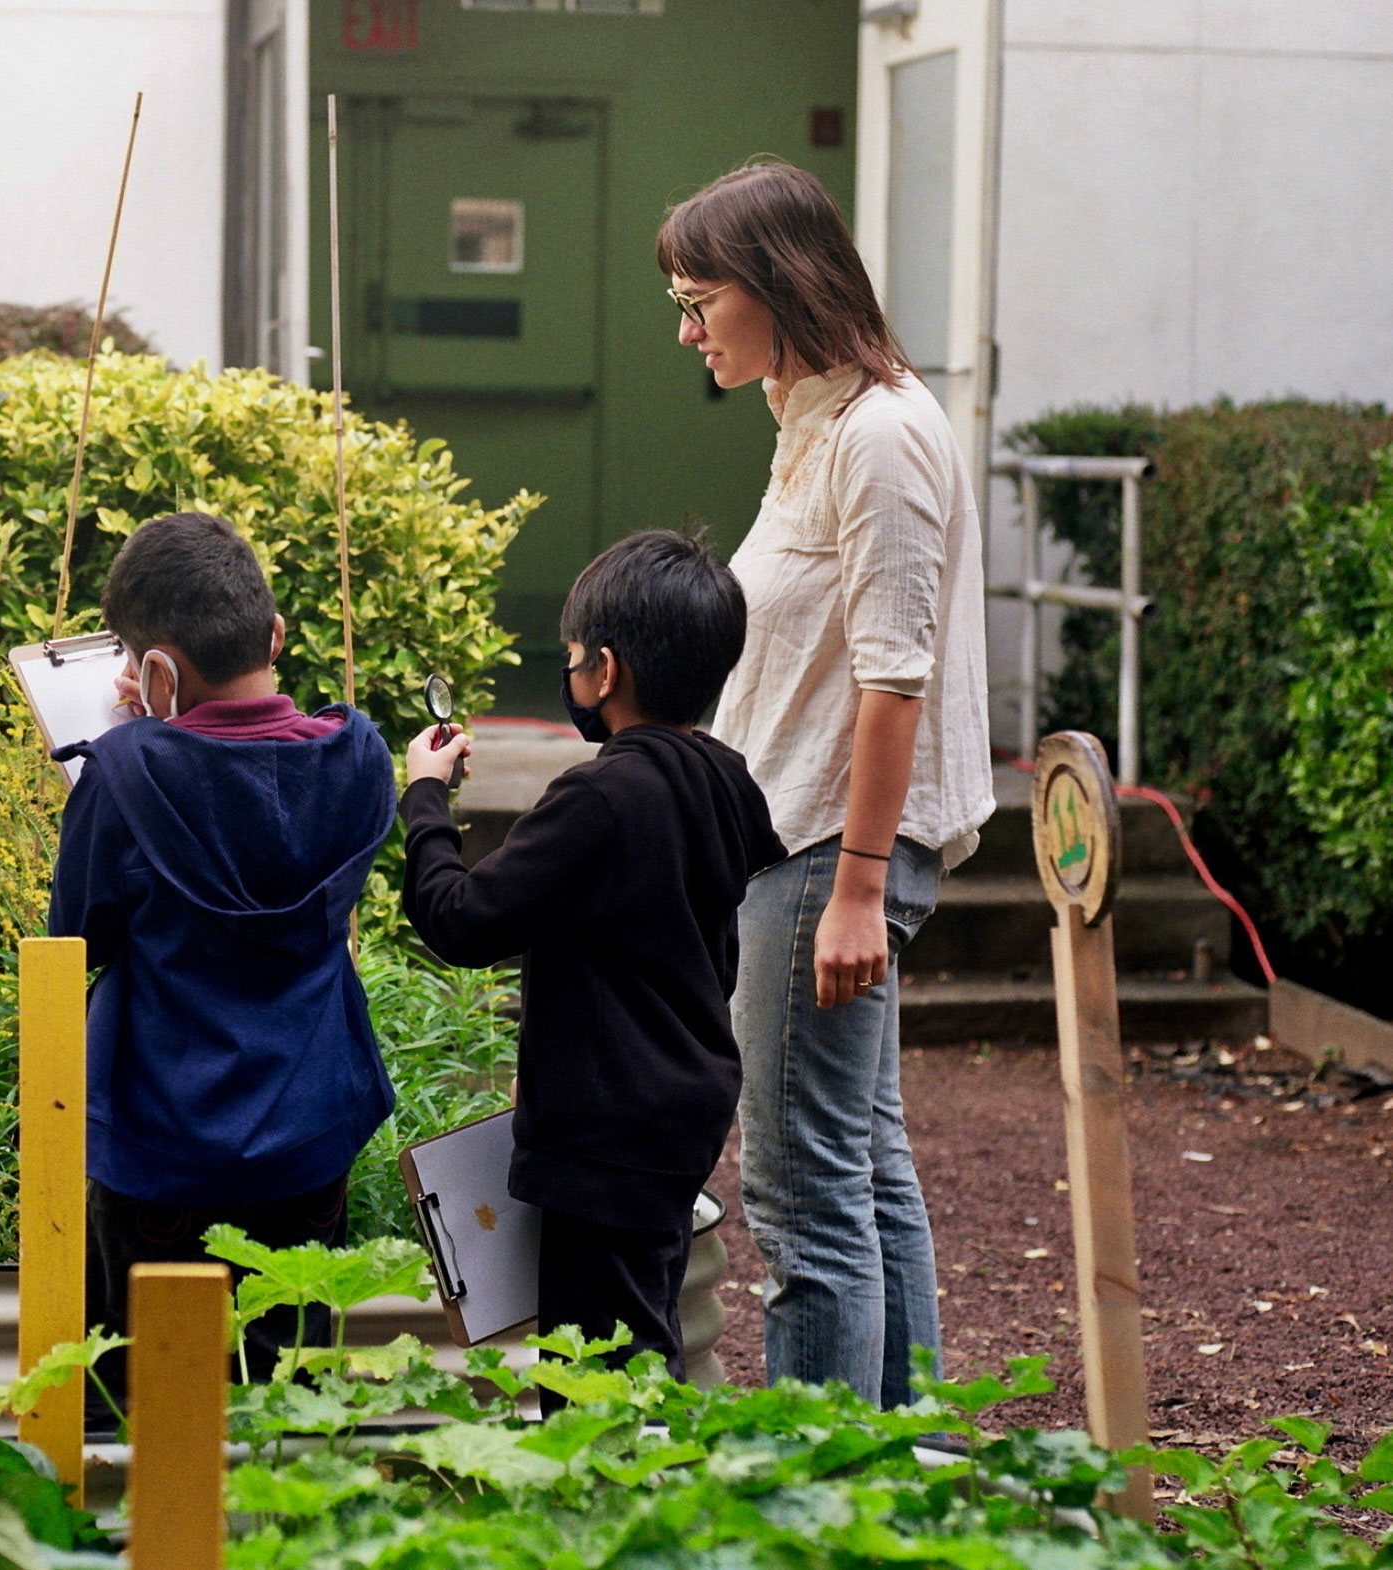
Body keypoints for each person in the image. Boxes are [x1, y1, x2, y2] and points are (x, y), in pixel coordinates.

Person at [655, 160, 994, 1406]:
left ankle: (814, 1488)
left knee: (800, 1199)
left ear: (779, 285)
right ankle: (904, 1461)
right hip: (795, 842)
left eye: (699, 300)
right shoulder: (810, 421)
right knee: (864, 1165)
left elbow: (892, 681)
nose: (687, 330)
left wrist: (854, 890)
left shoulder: (881, 437)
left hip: (824, 854)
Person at [400, 531, 784, 1382]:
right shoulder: (726, 782)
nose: (569, 674)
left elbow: (461, 920)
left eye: (574, 658)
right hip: (677, 1119)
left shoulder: (602, 796)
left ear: (605, 673)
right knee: (649, 1334)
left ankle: (619, 1509)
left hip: (602, 1136)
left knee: (596, 1377)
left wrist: (423, 797)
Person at [47, 510, 397, 1415]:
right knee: (292, 1382)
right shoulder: (359, 756)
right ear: (274, 635)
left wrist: (137, 746)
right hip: (311, 1127)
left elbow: (75, 935)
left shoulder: (123, 774)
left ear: (154, 672)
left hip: (161, 1139)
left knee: (147, 1388)